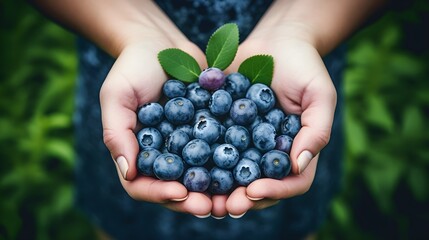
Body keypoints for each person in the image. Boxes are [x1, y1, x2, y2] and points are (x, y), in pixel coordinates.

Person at [29, 0, 386, 239]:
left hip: (301, 58)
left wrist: (299, 28)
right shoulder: (175, 119)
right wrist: (132, 31)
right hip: (127, 66)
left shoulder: (254, 116)